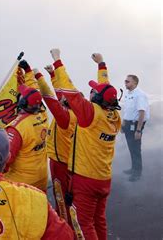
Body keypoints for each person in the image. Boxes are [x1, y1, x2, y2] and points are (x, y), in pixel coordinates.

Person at [50, 49, 121, 240]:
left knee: (83, 223)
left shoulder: (90, 114)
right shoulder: (114, 115)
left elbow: (70, 89)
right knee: (99, 220)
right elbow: (107, 90)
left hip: (86, 179)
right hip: (104, 177)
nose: (90, 93)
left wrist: (57, 61)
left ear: (96, 99)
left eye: (93, 92)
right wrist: (101, 64)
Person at [34, 66, 76, 223]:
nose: (62, 97)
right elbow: (59, 94)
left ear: (66, 102)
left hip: (61, 164)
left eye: (64, 98)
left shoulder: (64, 117)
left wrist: (38, 75)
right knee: (68, 198)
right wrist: (52, 74)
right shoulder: (75, 112)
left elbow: (50, 99)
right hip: (69, 162)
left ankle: (65, 228)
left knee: (61, 199)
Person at [4, 60, 49, 192]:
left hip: (21, 183)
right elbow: (34, 92)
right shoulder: (43, 114)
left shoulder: (17, 127)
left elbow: (7, 158)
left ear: (23, 102)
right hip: (41, 177)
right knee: (40, 210)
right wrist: (28, 72)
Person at [121, 74, 150, 182]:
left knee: (136, 149)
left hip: (136, 124)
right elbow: (127, 110)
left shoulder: (139, 95)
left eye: (128, 81)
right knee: (131, 147)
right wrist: (123, 124)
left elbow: (142, 112)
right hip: (128, 123)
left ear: (135, 83)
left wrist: (138, 130)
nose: (125, 83)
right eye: (125, 81)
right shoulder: (128, 94)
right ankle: (133, 168)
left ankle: (137, 173)